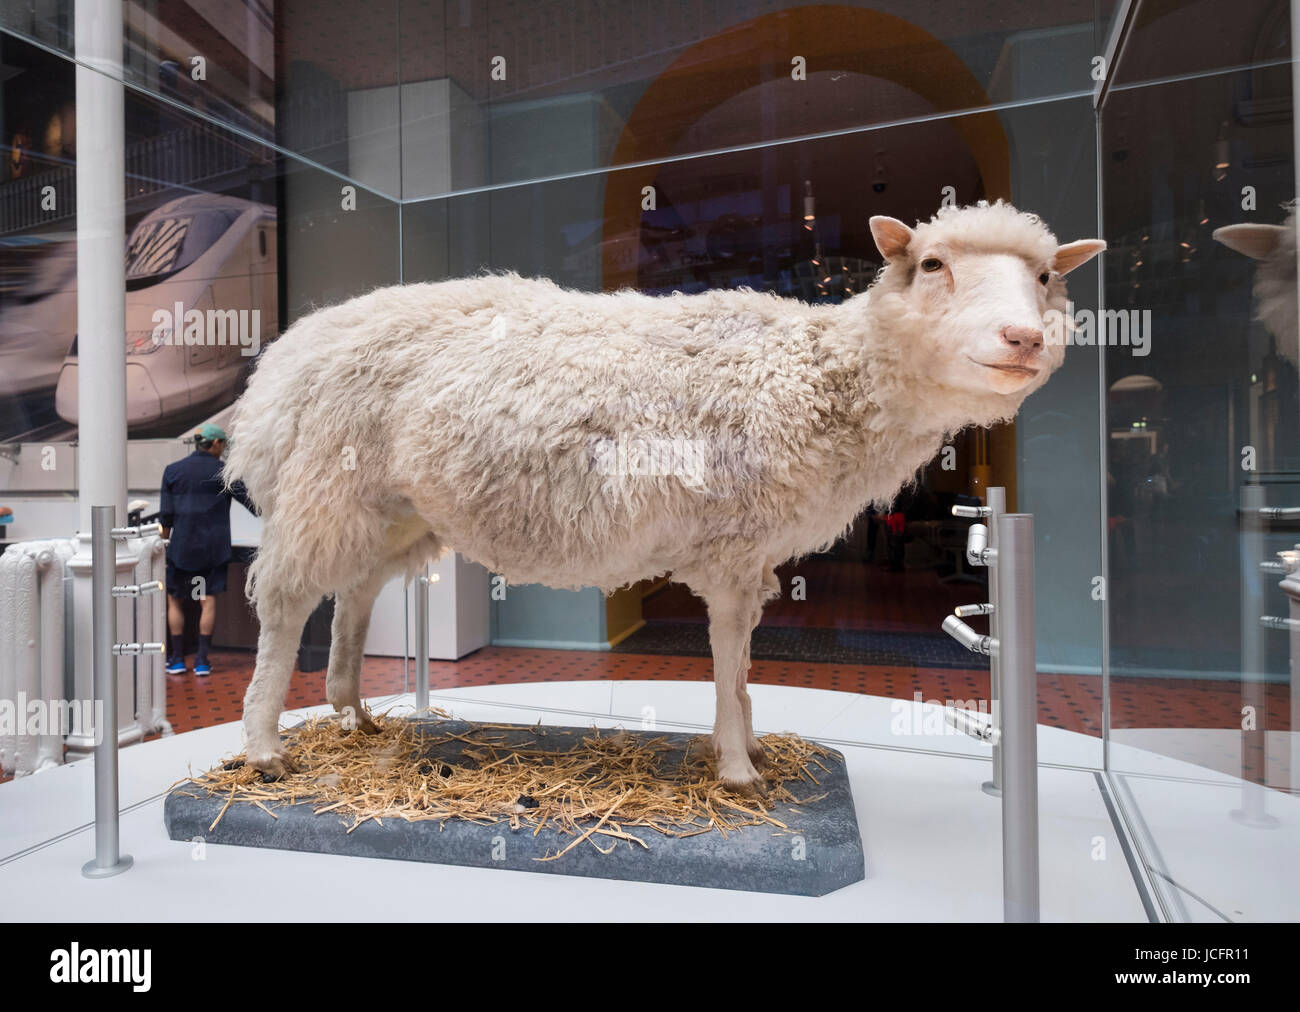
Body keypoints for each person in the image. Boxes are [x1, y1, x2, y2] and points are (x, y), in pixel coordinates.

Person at [159, 423, 256, 675]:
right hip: (212, 552)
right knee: (206, 600)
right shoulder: (224, 473)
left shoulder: (173, 471)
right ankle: (202, 660)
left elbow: (166, 518)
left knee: (175, 600)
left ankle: (177, 658)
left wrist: (163, 549)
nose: (223, 449)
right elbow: (254, 506)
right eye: (223, 444)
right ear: (214, 444)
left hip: (181, 551)